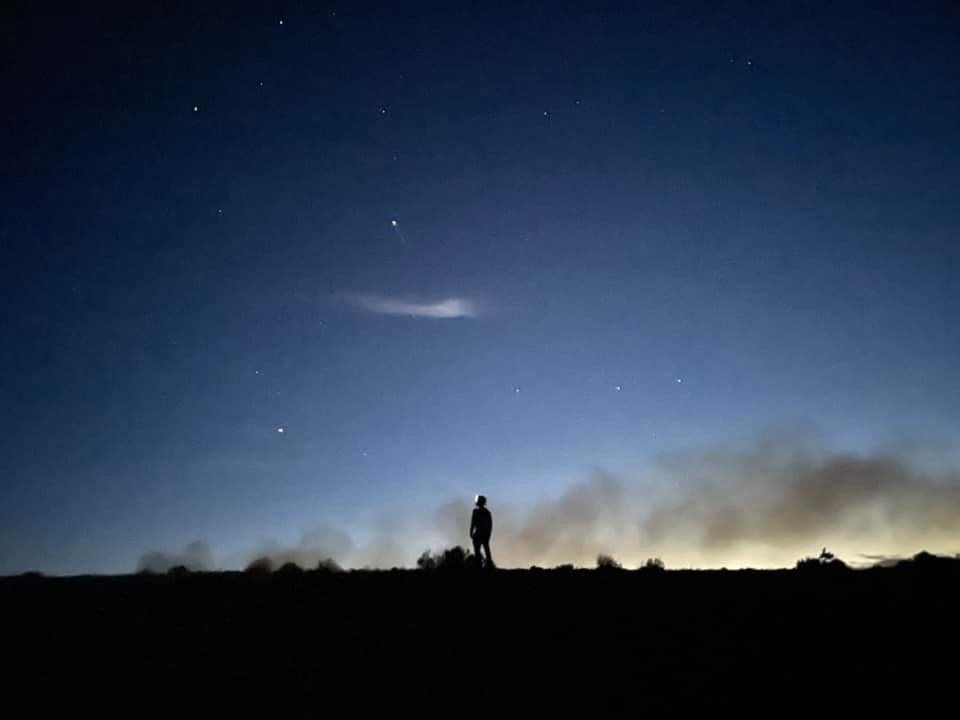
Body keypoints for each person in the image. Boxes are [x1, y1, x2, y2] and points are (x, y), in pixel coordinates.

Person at [470, 495, 494, 569]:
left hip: (479, 533)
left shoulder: (476, 511)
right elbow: (490, 525)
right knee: (486, 549)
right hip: (484, 533)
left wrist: (471, 532)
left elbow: (473, 523)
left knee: (478, 550)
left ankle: (479, 565)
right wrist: (489, 535)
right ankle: (488, 565)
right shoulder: (487, 512)